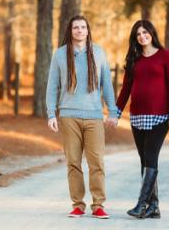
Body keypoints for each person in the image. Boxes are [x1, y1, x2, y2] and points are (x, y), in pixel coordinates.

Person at [45, 15, 118, 219]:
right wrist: (52, 113)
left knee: (97, 162)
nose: (79, 30)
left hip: (94, 116)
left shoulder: (98, 52)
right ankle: (78, 204)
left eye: (83, 27)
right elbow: (52, 86)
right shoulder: (60, 55)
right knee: (73, 162)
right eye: (75, 27)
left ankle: (98, 205)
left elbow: (107, 85)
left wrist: (112, 111)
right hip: (69, 115)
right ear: (70, 31)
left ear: (88, 30)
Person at [116, 20, 169, 219]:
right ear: (135, 38)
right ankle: (154, 207)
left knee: (151, 158)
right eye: (138, 34)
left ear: (152, 33)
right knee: (145, 161)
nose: (142, 36)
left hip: (159, 118)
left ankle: (141, 205)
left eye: (145, 32)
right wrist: (116, 112)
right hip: (137, 117)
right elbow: (126, 88)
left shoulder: (165, 56)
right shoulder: (134, 58)